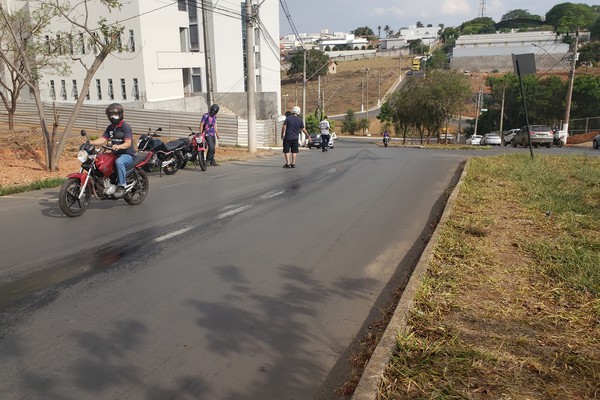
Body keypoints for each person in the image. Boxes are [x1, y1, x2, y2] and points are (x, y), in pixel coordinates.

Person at [90, 103, 135, 198]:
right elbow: (102, 139)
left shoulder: (125, 127)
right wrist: (90, 142)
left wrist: (119, 146)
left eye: (115, 114)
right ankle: (102, 182)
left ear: (120, 114)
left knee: (119, 162)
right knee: (98, 160)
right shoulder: (110, 127)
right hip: (114, 153)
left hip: (127, 154)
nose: (113, 117)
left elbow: (128, 143)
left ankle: (121, 186)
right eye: (111, 115)